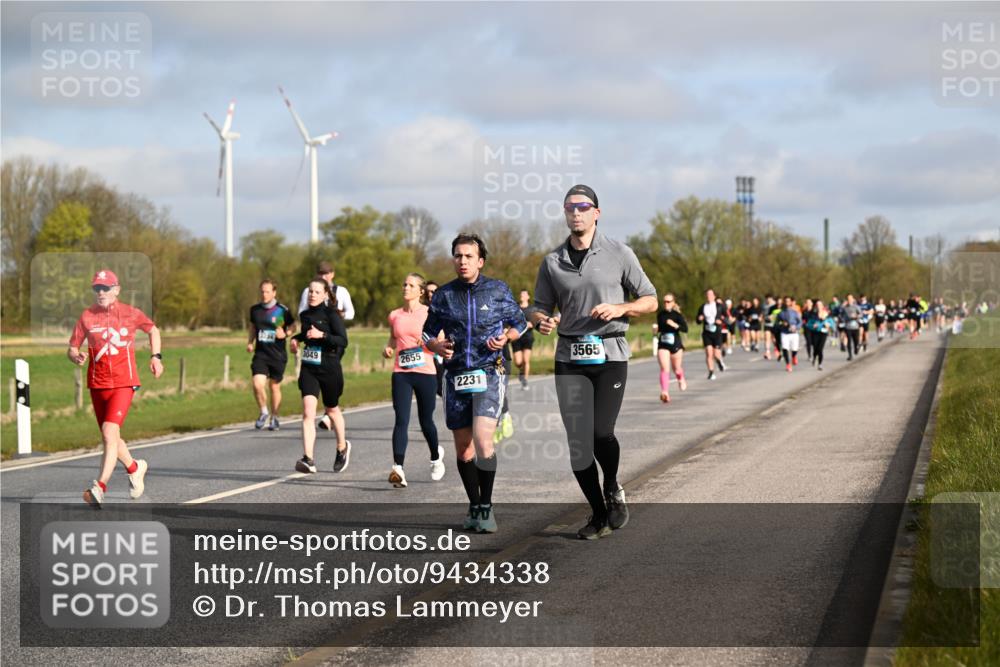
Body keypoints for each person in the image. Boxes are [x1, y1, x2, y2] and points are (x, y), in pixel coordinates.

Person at [530, 184, 657, 540]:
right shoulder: (552, 261)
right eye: (570, 207)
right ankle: (598, 514)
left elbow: (650, 299)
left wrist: (621, 308)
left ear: (596, 213)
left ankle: (613, 486)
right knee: (578, 444)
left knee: (601, 432)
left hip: (610, 353)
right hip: (569, 356)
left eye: (583, 207)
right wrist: (539, 319)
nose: (576, 213)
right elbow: (537, 305)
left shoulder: (619, 253)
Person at [423, 233, 527, 534]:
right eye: (458, 255)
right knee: (464, 450)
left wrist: (505, 337)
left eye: (468, 256)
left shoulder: (497, 290)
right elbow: (426, 334)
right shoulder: (443, 295)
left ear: (480, 261)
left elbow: (519, 323)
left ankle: (487, 506)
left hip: (489, 372)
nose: (463, 260)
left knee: (484, 442)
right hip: (456, 376)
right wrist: (436, 348)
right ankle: (474, 504)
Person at [68, 269, 163, 507]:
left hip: (123, 382)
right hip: (97, 384)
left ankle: (99, 487)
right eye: (97, 288)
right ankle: (135, 467)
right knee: (111, 436)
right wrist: (75, 356)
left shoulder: (130, 313)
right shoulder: (87, 316)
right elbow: (72, 347)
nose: (101, 293)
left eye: (105, 288)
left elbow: (153, 329)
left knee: (110, 432)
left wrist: (156, 356)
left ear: (116, 290)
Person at [383, 273, 444, 488]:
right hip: (401, 372)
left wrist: (429, 341)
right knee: (401, 420)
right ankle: (398, 468)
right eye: (404, 284)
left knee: (426, 421)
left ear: (420, 291)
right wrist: (389, 347)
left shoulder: (430, 313)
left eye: (411, 285)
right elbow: (394, 336)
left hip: (426, 372)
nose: (406, 288)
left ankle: (436, 457)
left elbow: (443, 339)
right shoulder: (395, 315)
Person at [290, 279, 351, 474]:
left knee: (331, 409)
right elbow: (307, 334)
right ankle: (308, 459)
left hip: (329, 366)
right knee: (308, 412)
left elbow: (343, 340)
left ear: (325, 295)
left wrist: (322, 336)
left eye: (317, 292)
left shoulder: (331, 314)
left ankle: (342, 448)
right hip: (309, 367)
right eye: (310, 292)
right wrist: (295, 340)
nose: (312, 295)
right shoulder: (305, 315)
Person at [247, 279, 295, 431]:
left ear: (274, 292)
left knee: (274, 387)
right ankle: (263, 412)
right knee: (257, 384)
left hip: (277, 354)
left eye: (267, 291)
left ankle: (275, 416)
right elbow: (253, 327)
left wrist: (285, 334)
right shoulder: (255, 310)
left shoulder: (282, 310)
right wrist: (250, 342)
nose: (264, 294)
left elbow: (293, 326)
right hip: (261, 354)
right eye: (262, 291)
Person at [654, 292, 688, 403]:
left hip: (675, 344)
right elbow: (659, 329)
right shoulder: (660, 314)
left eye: (668, 301)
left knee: (676, 368)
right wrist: (655, 330)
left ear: (673, 303)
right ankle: (665, 392)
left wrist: (675, 325)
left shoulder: (677, 315)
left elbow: (685, 329)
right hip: (663, 343)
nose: (666, 303)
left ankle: (680, 377)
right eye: (664, 301)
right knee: (664, 368)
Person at [696, 289, 727, 380]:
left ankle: (719, 361)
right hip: (707, 333)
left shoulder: (720, 306)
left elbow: (727, 318)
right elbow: (697, 320)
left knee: (716, 354)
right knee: (709, 354)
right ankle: (711, 372)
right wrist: (700, 318)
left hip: (717, 332)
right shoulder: (703, 307)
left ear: (714, 296)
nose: (708, 296)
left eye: (710, 294)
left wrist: (721, 321)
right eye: (707, 295)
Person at [511, 289, 535, 390]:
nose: (522, 296)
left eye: (524, 294)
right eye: (521, 294)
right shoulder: (515, 308)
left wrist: (532, 324)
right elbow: (509, 320)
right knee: (518, 362)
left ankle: (525, 381)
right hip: (516, 337)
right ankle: (521, 371)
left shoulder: (532, 309)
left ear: (528, 297)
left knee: (526, 360)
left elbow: (536, 322)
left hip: (528, 337)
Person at [425, 281, 446, 397]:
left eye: (433, 291)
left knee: (442, 389)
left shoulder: (446, 308)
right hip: (427, 354)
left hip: (443, 353)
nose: (430, 294)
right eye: (427, 292)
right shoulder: (423, 310)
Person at [806, 300, 837, 371]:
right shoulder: (813, 314)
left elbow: (833, 325)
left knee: (820, 349)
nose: (818, 306)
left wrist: (829, 326)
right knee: (815, 348)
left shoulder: (827, 315)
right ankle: (814, 357)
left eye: (820, 305)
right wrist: (813, 326)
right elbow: (808, 324)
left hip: (823, 333)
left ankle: (820, 364)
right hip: (815, 332)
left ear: (823, 306)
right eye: (817, 305)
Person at [777, 296, 803, 372]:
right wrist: (782, 324)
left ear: (791, 302)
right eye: (785, 301)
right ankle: (788, 364)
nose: (787, 303)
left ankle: (794, 356)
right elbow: (777, 323)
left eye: (788, 301)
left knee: (795, 349)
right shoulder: (780, 313)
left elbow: (800, 322)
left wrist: (796, 327)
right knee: (785, 348)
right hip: (784, 333)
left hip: (794, 333)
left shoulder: (795, 313)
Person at [841, 294, 862, 360]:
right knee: (849, 341)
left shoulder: (856, 307)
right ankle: (850, 355)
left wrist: (856, 316)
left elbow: (861, 314)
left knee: (856, 341)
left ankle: (856, 348)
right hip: (848, 327)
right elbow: (841, 315)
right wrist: (844, 319)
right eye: (848, 299)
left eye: (850, 299)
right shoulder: (845, 308)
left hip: (855, 327)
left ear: (853, 299)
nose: (849, 300)